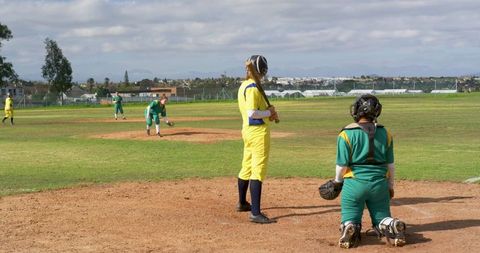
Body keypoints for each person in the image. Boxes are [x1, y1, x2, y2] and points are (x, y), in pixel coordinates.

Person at [333, 94, 406, 248]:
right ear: (377, 112)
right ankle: (392, 224)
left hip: (354, 183)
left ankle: (349, 226)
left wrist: (337, 182)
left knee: (350, 214)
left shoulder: (346, 134)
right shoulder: (385, 133)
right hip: (379, 183)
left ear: (357, 110)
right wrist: (390, 186)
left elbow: (341, 166)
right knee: (381, 218)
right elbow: (390, 165)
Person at [236, 55, 279, 224]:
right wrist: (270, 113)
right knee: (257, 169)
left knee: (246, 167)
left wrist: (268, 110)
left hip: (247, 131)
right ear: (263, 70)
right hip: (258, 131)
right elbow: (252, 113)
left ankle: (242, 203)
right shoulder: (253, 87)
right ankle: (255, 212)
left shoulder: (244, 86)